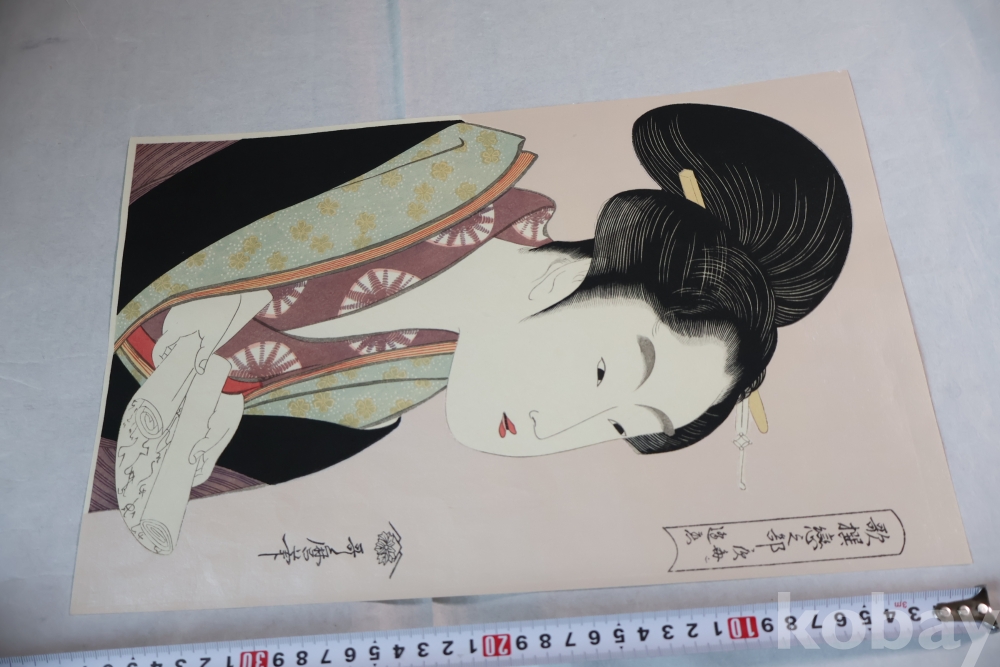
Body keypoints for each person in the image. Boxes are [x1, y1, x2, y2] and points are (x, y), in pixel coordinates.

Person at [100, 104, 852, 554]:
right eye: (600, 375)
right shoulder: (428, 159)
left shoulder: (361, 415)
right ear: (567, 278)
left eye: (619, 424)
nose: (555, 428)